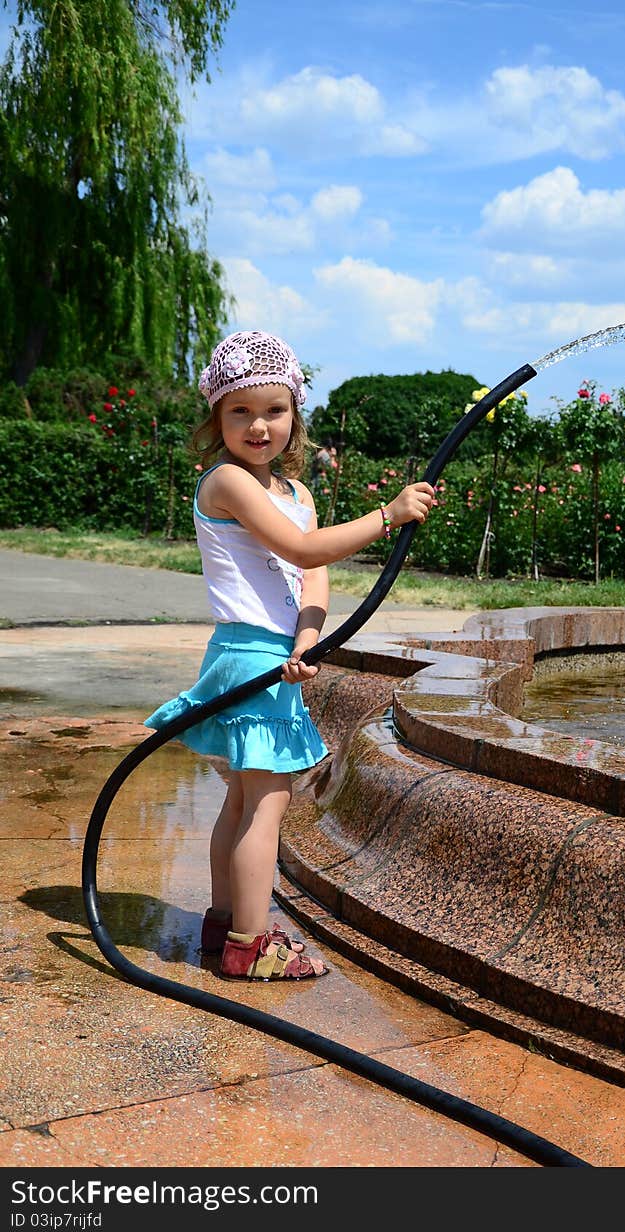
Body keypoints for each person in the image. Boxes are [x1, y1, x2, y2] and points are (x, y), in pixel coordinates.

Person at [144, 330, 435, 982]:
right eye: (239, 410)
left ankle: (224, 923)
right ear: (217, 417)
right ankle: (251, 943)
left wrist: (307, 639)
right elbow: (305, 552)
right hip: (247, 657)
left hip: (277, 657)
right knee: (266, 806)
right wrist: (387, 515)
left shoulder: (297, 494)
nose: (257, 425)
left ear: (294, 414)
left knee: (244, 803)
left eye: (273, 409)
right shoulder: (226, 481)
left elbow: (314, 578)